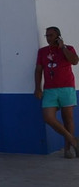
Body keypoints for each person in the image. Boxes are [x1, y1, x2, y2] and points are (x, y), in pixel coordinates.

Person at [35, 26, 79, 157]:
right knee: (48, 117)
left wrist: (63, 47)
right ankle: (72, 139)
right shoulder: (42, 52)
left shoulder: (68, 48)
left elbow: (75, 61)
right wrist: (38, 87)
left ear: (58, 36)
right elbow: (38, 70)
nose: (48, 38)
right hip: (49, 90)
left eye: (51, 35)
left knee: (68, 119)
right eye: (47, 36)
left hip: (67, 88)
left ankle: (68, 149)